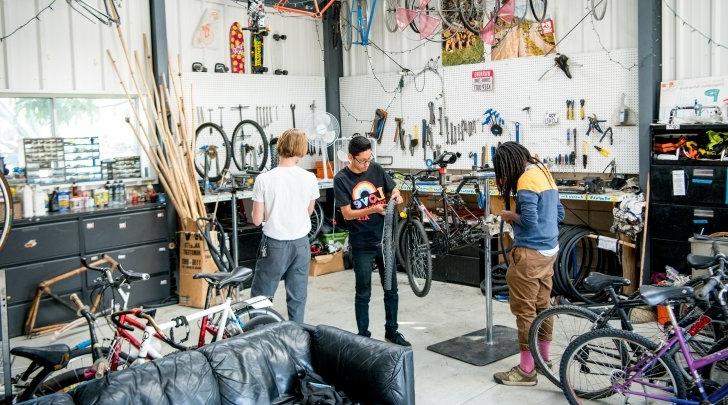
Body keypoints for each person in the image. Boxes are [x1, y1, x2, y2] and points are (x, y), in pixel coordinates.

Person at [491, 142, 564, 386]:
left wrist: (508, 216)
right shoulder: (544, 173)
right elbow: (560, 215)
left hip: (529, 254)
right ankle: (544, 361)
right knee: (543, 305)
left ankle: (526, 370)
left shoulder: (525, 180)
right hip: (549, 250)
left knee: (524, 311)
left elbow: (530, 222)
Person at [334, 136, 410, 346]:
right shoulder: (342, 179)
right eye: (362, 161)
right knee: (363, 291)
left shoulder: (375, 169)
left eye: (369, 159)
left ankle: (392, 331)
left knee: (391, 289)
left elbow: (392, 187)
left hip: (384, 241)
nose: (367, 164)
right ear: (350, 157)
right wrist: (374, 209)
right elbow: (348, 213)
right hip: (361, 243)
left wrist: (396, 195)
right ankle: (363, 336)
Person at [251, 129, 319, 323]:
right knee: (297, 298)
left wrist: (271, 214)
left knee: (260, 299)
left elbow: (256, 220)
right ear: (301, 150)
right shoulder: (309, 178)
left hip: (274, 245)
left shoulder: (264, 179)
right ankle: (296, 342)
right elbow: (309, 210)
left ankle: (259, 340)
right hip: (301, 245)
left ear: (279, 147)